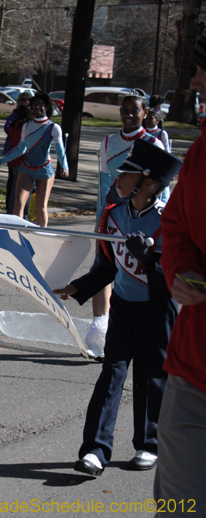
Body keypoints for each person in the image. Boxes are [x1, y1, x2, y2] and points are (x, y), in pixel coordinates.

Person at [52, 139, 182, 478]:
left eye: (127, 173)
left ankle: (149, 444)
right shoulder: (113, 215)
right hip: (123, 306)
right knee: (111, 373)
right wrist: (77, 287)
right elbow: (107, 267)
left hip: (157, 308)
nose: (119, 178)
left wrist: (147, 259)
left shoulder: (168, 222)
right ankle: (95, 450)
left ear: (149, 183)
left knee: (152, 378)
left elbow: (170, 281)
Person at [152, 49, 206, 516]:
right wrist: (180, 269)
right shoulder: (204, 150)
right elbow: (176, 226)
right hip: (194, 373)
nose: (193, 83)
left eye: (201, 71)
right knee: (181, 509)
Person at [85, 90, 165, 359]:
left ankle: (139, 327)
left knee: (134, 269)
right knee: (103, 265)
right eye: (125, 109)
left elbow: (159, 190)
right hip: (111, 214)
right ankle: (99, 329)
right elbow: (104, 184)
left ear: (145, 113)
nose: (129, 115)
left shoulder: (154, 142)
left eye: (135, 110)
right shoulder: (108, 142)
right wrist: (101, 219)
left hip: (141, 218)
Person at [0, 92, 68, 227]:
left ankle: (42, 236)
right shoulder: (26, 126)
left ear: (47, 107)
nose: (37, 108)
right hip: (26, 168)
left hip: (44, 170)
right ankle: (16, 234)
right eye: (34, 106)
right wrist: (1, 161)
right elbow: (21, 149)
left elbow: (60, 150)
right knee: (18, 204)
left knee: (40, 207)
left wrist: (65, 167)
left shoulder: (53, 127)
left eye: (40, 106)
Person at [0, 91, 32, 214]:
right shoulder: (15, 119)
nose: (25, 102)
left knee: (19, 187)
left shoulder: (31, 121)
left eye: (28, 99)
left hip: (22, 158)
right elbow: (8, 129)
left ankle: (17, 212)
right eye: (23, 99)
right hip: (15, 156)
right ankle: (17, 212)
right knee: (17, 185)